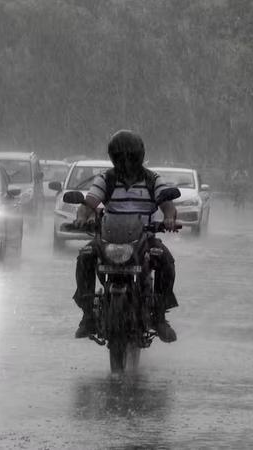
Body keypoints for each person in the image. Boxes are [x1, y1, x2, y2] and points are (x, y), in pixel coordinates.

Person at [72, 130, 178, 342]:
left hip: (144, 239)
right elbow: (89, 203)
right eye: (121, 157)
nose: (126, 162)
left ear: (139, 156)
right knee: (85, 256)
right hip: (109, 238)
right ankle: (88, 314)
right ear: (114, 158)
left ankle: (158, 316)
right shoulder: (106, 179)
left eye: (131, 157)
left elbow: (168, 206)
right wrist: (81, 217)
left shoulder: (152, 180)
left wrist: (169, 218)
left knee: (166, 260)